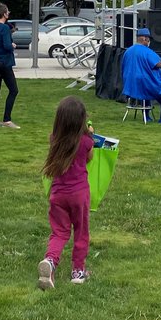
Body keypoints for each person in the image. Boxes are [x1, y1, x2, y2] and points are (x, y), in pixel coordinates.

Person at [37, 95, 94, 289]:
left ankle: (50, 261)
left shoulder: (54, 139)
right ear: (82, 120)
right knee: (81, 231)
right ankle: (78, 271)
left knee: (59, 232)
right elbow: (89, 158)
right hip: (79, 195)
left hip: (58, 195)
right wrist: (90, 135)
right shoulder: (86, 142)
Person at [120, 28, 161, 123]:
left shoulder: (128, 51)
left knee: (145, 93)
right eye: (148, 39)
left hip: (131, 85)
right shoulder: (147, 52)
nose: (149, 41)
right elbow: (158, 64)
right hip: (146, 84)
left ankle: (147, 116)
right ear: (145, 39)